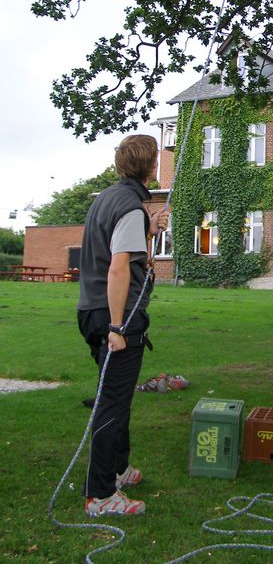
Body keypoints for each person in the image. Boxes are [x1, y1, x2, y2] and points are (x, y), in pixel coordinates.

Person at [77, 135, 169, 517]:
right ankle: (100, 495)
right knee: (112, 404)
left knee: (119, 395)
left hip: (92, 309)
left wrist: (148, 233)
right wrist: (117, 327)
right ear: (150, 168)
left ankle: (119, 468)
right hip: (116, 317)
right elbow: (117, 267)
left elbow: (115, 247)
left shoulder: (107, 199)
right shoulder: (131, 206)